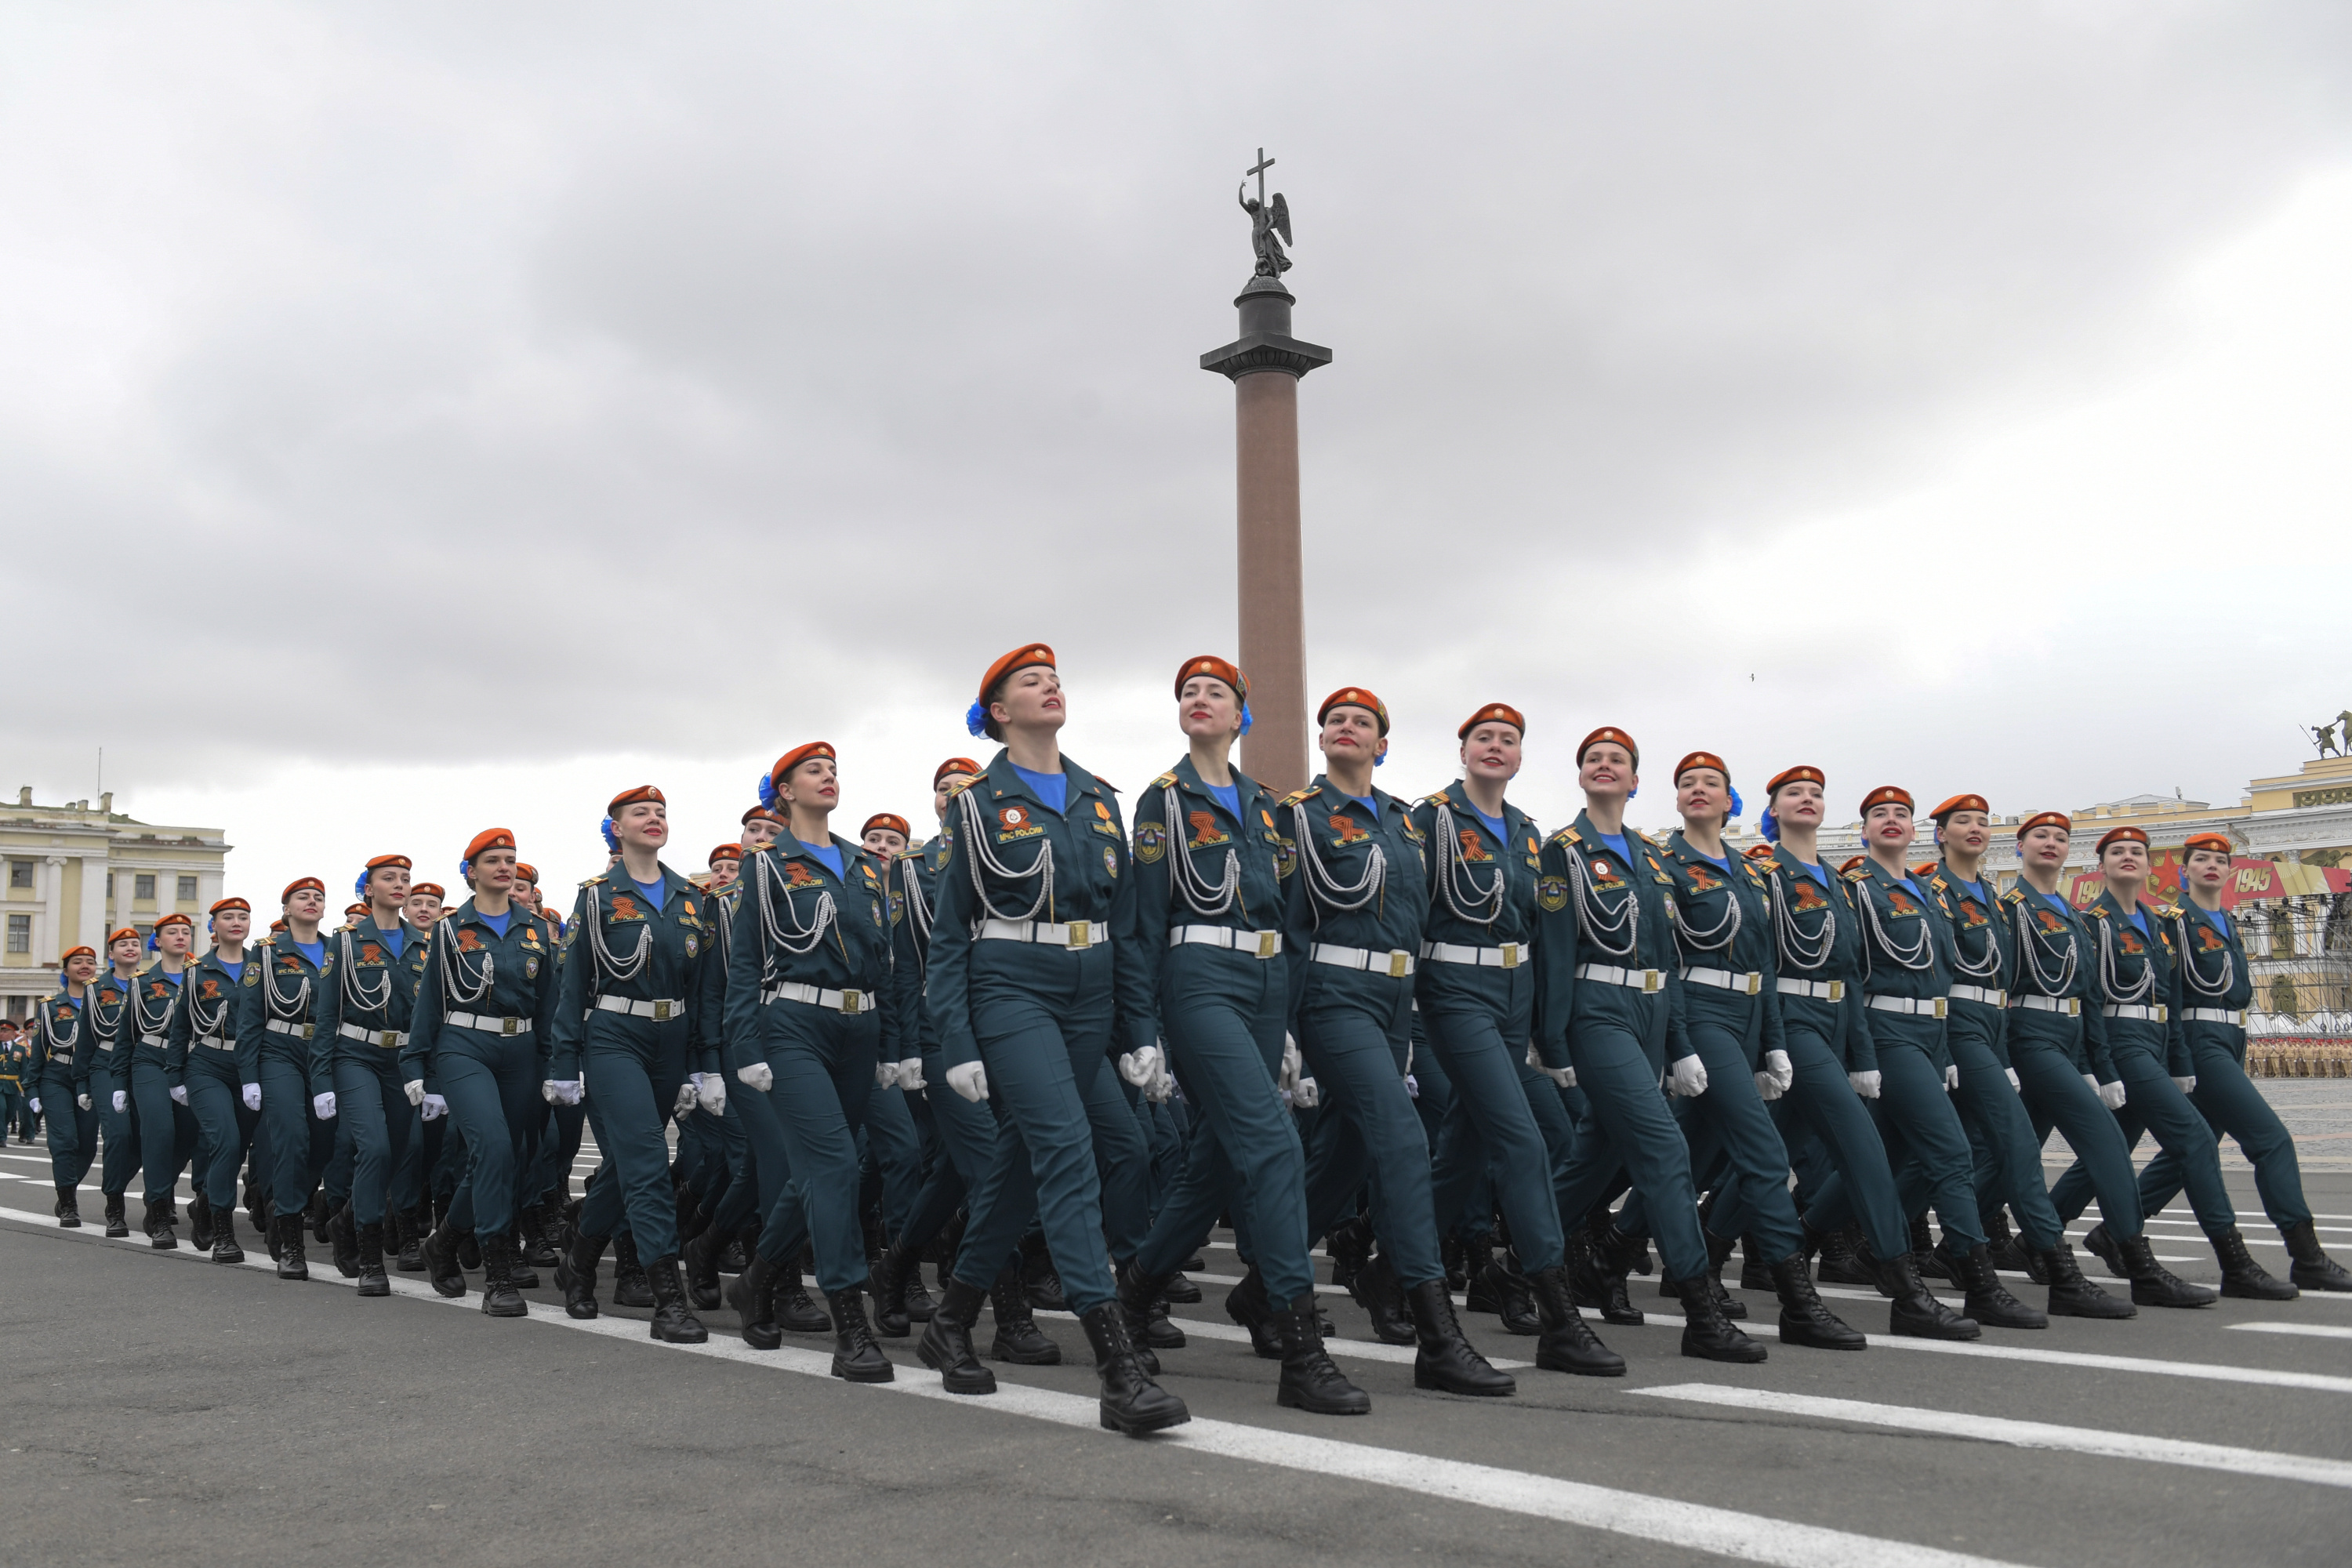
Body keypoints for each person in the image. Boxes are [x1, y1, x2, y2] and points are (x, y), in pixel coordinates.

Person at [915, 644, 1187, 1435]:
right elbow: (949, 935)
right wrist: (956, 1036)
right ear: (998, 711)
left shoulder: (1100, 799)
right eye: (1031, 682)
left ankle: (953, 1316)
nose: (1050, 686)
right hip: (1010, 986)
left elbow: (1131, 929)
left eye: (1056, 678)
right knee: (1067, 1147)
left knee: (1040, 1159)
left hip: (1090, 991)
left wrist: (1138, 1028)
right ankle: (1117, 1367)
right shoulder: (976, 804)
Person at [1117, 656, 1367, 1416]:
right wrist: (1143, 1028)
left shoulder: (1266, 807)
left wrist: (1289, 1026)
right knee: (1274, 1145)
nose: (1199, 699)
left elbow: (1288, 922)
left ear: (1240, 717)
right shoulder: (1164, 801)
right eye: (1188, 691)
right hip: (1197, 980)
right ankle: (1300, 1346)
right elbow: (1144, 923)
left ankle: (1134, 1294)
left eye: (1215, 692)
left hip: (1263, 991)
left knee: (1216, 1165)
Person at [1281, 687, 1513, 1393]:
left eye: (1363, 723)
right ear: (1322, 741)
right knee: (1403, 1140)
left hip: (1391, 1005)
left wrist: (1408, 1026)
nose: (1347, 728)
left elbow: (1417, 930)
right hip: (1331, 997)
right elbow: (1289, 928)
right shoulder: (1298, 817)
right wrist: (1285, 1030)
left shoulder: (1405, 826)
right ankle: (1437, 1334)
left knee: (1345, 1156)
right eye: (1336, 722)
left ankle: (1262, 1286)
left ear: (1382, 746)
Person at [1646, 754, 1867, 1348]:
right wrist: (1677, 1042)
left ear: (1730, 802)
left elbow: (1764, 965)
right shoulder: (1661, 864)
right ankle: (1797, 1300)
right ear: (1676, 800)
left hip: (1747, 1018)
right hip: (1697, 1012)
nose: (1698, 790)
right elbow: (1665, 957)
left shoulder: (1750, 872)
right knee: (1763, 1154)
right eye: (1687, 784)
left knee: (1677, 1156)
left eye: (1711, 784)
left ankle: (1609, 1253)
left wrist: (1772, 1044)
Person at [865, 757, 1062, 1360]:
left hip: (1011, 1026)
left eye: (965, 788)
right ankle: (1008, 1314)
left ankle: (894, 1267)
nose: (954, 796)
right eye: (944, 790)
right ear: (934, 804)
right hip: (943, 1036)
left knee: (958, 1170)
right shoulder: (908, 871)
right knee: (988, 1170)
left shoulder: (1017, 851)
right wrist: (905, 1050)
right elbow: (899, 970)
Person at [724, 743, 906, 1381]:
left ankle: (758, 1279)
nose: (828, 776)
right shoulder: (768, 867)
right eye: (813, 771)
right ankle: (851, 1326)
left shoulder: (863, 864)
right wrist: (746, 1049)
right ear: (786, 792)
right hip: (794, 1024)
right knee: (834, 1164)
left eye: (833, 769)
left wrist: (891, 1048)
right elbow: (745, 962)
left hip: (860, 1026)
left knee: (822, 1172)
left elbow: (886, 960)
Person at [1915, 796, 2129, 1319]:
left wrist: (2015, 1051)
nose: (1974, 828)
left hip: (1993, 1028)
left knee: (1926, 1160)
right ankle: (2061, 1271)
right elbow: (1933, 973)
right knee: (2014, 1142)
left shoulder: (1988, 895)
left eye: (1982, 822)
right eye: (1962, 821)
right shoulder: (1934, 892)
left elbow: (2009, 984)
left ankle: (1839, 1235)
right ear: (1940, 834)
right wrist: (1941, 1047)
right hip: (1958, 1026)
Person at [2004, 812, 2211, 1308]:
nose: (2051, 843)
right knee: (2105, 1140)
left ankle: (1954, 1251)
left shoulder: (2072, 915)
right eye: (2040, 836)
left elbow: (2088, 998)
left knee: (2000, 1155)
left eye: (2060, 837)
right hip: (2028, 1037)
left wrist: (2095, 1064)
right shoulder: (2009, 907)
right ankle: (2136, 1265)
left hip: (2069, 1038)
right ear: (2019, 847)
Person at [2053, 828, 2270, 1297]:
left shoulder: (2158, 924)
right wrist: (2099, 1065)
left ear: (2152, 867)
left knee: (2111, 1150)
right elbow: (2089, 1000)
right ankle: (2232, 1260)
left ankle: (2042, 1233)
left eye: (2137, 852)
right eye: (2117, 852)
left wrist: (2180, 1058)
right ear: (2101, 866)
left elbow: (2171, 1000)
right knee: (2193, 1139)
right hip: (2120, 1042)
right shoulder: (2092, 923)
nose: (2128, 857)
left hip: (2154, 1040)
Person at [2135, 831, 2351, 1294]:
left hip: (2233, 1035)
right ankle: (2305, 1254)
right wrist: (2175, 1055)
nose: (2212, 865)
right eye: (2201, 859)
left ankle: (2117, 1227)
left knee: (2190, 1150)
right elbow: (2169, 996)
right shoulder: (2172, 923)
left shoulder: (2229, 919)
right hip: (2199, 1039)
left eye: (2220, 860)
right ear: (2183, 871)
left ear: (2230, 871)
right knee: (2270, 1140)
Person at [550, 786, 715, 1343]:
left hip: (671, 1040)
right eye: (640, 812)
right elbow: (572, 987)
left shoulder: (693, 898)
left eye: (661, 812)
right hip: (614, 1036)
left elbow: (705, 991)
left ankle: (578, 1261)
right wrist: (564, 1062)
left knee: (624, 1170)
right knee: (648, 1159)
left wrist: (703, 1064)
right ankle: (669, 1300)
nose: (653, 818)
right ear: (616, 829)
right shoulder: (597, 897)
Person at [403, 829, 564, 1316]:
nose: (504, 867)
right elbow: (430, 1002)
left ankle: (445, 1239)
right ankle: (497, 1275)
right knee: (492, 1146)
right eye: (492, 860)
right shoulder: (451, 931)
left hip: (521, 1050)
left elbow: (550, 1003)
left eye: (510, 860)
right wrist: (418, 1065)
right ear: (471, 871)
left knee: (503, 1157)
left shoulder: (535, 929)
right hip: (463, 1045)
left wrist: (559, 1063)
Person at [314, 854, 429, 1296]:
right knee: (375, 1149)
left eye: (405, 878)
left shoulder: (424, 944)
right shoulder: (345, 943)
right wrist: (321, 1079)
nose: (399, 885)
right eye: (389, 878)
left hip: (403, 1061)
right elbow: (327, 1016)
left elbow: (430, 1017)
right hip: (355, 1055)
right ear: (368, 889)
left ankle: (344, 1220)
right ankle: (369, 1256)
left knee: (400, 1154)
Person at [243, 877, 339, 1279]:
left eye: (318, 897)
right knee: (292, 1137)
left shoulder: (342, 949)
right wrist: (249, 1075)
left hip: (326, 1053)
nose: (312, 901)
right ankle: (290, 1239)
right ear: (286, 909)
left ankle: (287, 1204)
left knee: (324, 1143)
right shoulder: (266, 954)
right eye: (303, 897)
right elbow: (250, 1018)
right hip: (279, 1050)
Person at [169, 902, 259, 1262]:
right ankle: (224, 1231)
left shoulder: (264, 964)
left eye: (243, 917)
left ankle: (204, 1202)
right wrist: (175, 1076)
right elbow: (180, 1028)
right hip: (207, 1064)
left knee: (238, 1149)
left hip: (252, 1067)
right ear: (214, 926)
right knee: (225, 1139)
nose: (236, 923)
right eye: (228, 918)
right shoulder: (196, 971)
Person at [31, 945, 100, 1226]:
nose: (84, 966)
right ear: (66, 970)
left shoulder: (105, 1003)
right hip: (58, 1076)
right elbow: (38, 1051)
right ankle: (70, 1205)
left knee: (87, 1146)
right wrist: (32, 1089)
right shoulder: (50, 1006)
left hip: (92, 1078)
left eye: (90, 962)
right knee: (64, 1142)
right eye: (77, 962)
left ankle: (65, 1191)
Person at [85, 926, 148, 1237]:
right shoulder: (97, 988)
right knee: (119, 1134)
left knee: (146, 1136)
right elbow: (85, 1039)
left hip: (143, 1064)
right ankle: (114, 1204)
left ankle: (136, 1191)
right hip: (106, 1065)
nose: (130, 948)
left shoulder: (152, 983)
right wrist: (82, 1084)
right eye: (123, 944)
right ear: (111, 954)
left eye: (135, 943)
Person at [0, 1021, 30, 1147]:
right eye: (0, 1031)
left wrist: (25, 1085)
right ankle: (2, 1137)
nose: (2, 1033)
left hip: (13, 1085)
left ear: (13, 1033)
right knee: (2, 1109)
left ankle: (2, 1129)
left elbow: (24, 1069)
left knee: (11, 1112)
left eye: (5, 1031)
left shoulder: (20, 1048)